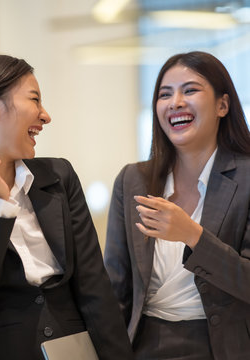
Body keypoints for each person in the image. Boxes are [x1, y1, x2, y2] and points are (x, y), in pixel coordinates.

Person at [0, 53, 133, 360]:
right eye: (34, 100)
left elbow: (95, 287)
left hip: (74, 350)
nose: (45, 116)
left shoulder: (59, 176)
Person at [104, 51, 250, 359]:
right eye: (164, 94)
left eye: (190, 90)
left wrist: (193, 236)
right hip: (144, 345)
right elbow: (117, 287)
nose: (176, 102)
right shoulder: (133, 179)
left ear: (222, 105)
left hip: (223, 346)